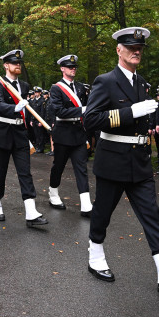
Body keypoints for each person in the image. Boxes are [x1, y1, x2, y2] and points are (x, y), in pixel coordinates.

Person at [83, 26, 159, 296]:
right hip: (113, 160)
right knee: (102, 213)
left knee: (152, 217)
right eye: (131, 47)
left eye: (140, 48)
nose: (136, 51)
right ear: (118, 50)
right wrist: (129, 111)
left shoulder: (142, 82)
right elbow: (90, 120)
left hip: (140, 161)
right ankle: (95, 256)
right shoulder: (105, 81)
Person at [0, 49, 48, 227]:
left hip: (19, 133)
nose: (18, 65)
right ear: (6, 65)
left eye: (19, 63)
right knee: (0, 171)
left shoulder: (23, 85)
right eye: (14, 63)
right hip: (2, 133)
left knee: (25, 172)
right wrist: (14, 108)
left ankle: (30, 211)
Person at [47, 54, 92, 216]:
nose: (73, 69)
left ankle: (86, 204)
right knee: (58, 166)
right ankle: (53, 193)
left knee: (81, 168)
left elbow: (87, 106)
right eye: (70, 67)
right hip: (63, 132)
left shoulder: (80, 87)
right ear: (62, 69)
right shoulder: (56, 88)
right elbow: (58, 111)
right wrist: (82, 110)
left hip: (78, 133)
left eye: (74, 67)